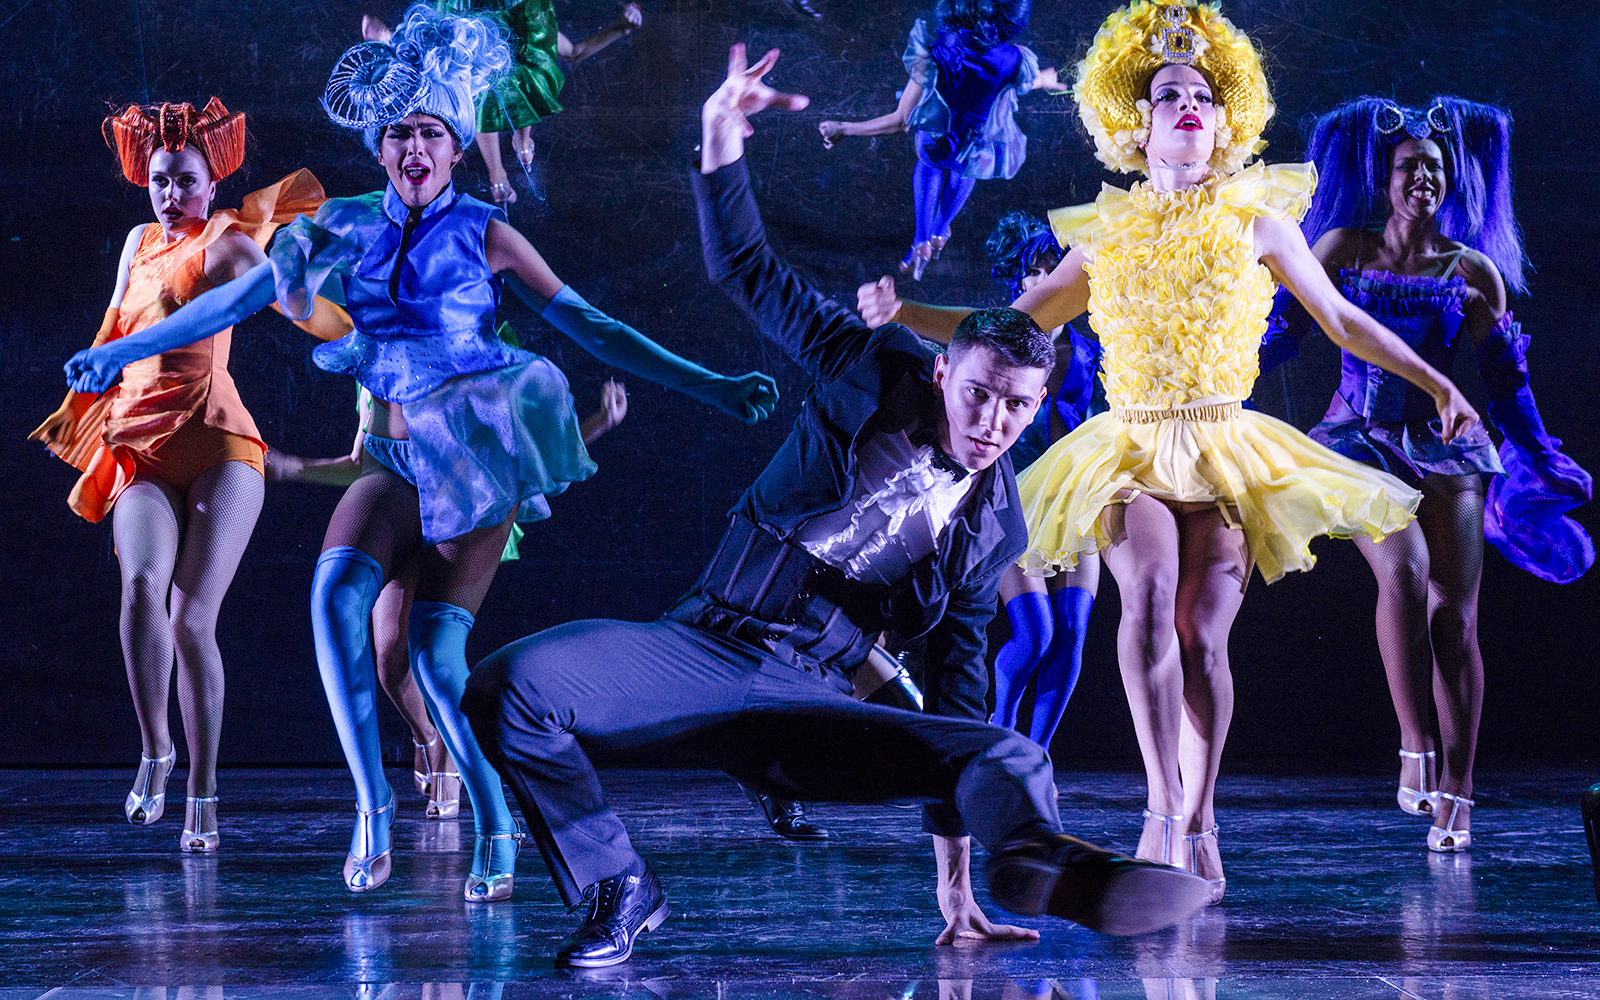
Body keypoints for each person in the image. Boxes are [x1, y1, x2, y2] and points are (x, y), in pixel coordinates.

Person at [460, 43, 1212, 970]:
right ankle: (622, 887)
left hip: (809, 701)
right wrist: (720, 137)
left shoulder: (992, 524)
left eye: (1017, 406)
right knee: (508, 686)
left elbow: (958, 683)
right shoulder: (870, 367)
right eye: (979, 393)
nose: (993, 421)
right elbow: (749, 271)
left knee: (1001, 750)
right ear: (944, 371)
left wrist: (955, 893)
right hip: (701, 649)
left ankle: (1044, 859)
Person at [64, 4, 778, 900]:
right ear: (381, 142)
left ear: (454, 145)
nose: (412, 145)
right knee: (333, 597)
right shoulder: (349, 224)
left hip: (474, 475)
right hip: (392, 468)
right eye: (397, 129)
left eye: (430, 131)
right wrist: (123, 350)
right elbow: (236, 304)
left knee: (436, 669)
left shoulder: (486, 233)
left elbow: (594, 326)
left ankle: (493, 814)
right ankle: (373, 812)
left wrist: (708, 384)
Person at [855, 0, 1479, 904]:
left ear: (1225, 122)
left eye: (1200, 94)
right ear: (1135, 125)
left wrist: (1438, 383)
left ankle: (1200, 814)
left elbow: (1343, 320)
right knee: (1143, 598)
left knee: (1202, 639)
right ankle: (1160, 806)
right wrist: (908, 313)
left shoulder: (1259, 224)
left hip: (1227, 446)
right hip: (1132, 449)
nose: (1185, 103)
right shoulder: (1104, 236)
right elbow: (1012, 324)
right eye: (1165, 95)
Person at [1266, 96, 1593, 851]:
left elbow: (1507, 383)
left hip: (1447, 449)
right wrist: (1211, 384)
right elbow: (1284, 330)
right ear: (1385, 177)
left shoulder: (1472, 271)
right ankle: (1415, 748)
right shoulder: (1344, 248)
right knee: (1403, 571)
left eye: (1436, 169)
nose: (1424, 178)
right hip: (1356, 439)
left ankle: (1460, 792)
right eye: (1411, 166)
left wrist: (1536, 451)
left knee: (1457, 617)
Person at [30, 100, 342, 853]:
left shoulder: (228, 242)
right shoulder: (138, 241)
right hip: (141, 444)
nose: (172, 196)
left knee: (191, 618)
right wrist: (88, 399)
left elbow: (278, 291)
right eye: (161, 181)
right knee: (141, 588)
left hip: (219, 444)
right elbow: (116, 325)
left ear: (211, 184)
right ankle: (156, 751)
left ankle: (203, 788)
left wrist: (329, 306)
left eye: (186, 183)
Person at [267, 377, 631, 819]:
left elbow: (531, 446)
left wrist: (597, 421)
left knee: (434, 656)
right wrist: (292, 468)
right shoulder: (379, 368)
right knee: (387, 659)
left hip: (462, 514)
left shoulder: (478, 364)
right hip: (399, 508)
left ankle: (463, 785)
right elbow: (360, 462)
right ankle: (428, 736)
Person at [817, 0, 1063, 279]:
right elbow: (1025, 81)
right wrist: (1044, 80)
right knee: (965, 173)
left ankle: (921, 239)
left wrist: (844, 128)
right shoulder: (1014, 60)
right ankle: (938, 230)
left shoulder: (936, 56)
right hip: (974, 146)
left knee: (929, 166)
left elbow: (899, 121)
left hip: (936, 141)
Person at [981, 213, 1102, 749]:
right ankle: (999, 739)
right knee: (1035, 636)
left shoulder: (1090, 341)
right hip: (1014, 495)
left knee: (1073, 631)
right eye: (1037, 269)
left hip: (1076, 496)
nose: (1049, 277)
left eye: (1058, 265)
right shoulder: (1001, 344)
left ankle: (1038, 755)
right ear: (1019, 278)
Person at [364, 1, 645, 209]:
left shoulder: (529, 20)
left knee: (524, 85)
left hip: (514, 22)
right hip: (474, 19)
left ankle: (523, 141)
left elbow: (573, 52)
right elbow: (429, 54)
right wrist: (390, 40)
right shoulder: (463, 26)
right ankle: (497, 171)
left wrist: (622, 27)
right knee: (481, 93)